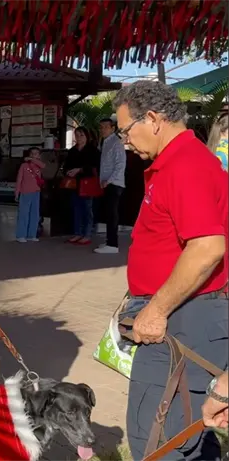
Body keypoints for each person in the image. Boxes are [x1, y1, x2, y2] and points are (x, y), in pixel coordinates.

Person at [113, 80, 228, 461]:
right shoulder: (179, 162)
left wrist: (156, 309)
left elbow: (207, 247)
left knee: (157, 441)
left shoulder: (185, 164)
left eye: (125, 131)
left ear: (152, 118)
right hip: (184, 317)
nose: (125, 142)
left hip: (182, 321)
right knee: (186, 433)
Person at [63, 126, 101, 246]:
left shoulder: (93, 150)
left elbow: (95, 167)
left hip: (87, 183)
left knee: (87, 209)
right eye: (77, 135)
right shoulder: (72, 151)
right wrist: (69, 171)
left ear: (87, 136)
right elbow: (66, 165)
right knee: (76, 209)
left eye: (82, 135)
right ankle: (77, 233)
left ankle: (87, 234)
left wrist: (80, 170)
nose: (79, 138)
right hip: (74, 184)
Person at [95, 118, 127, 254]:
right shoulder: (105, 142)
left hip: (114, 183)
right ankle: (109, 240)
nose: (102, 130)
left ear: (113, 128)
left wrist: (109, 180)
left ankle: (113, 244)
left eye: (105, 127)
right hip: (106, 182)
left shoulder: (116, 143)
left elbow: (120, 164)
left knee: (112, 214)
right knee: (108, 213)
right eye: (101, 127)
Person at [14, 147, 45, 243]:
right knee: (23, 214)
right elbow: (19, 179)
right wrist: (17, 192)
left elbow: (43, 165)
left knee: (34, 214)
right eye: (32, 153)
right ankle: (21, 235)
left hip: (36, 192)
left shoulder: (39, 165)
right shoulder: (24, 165)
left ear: (39, 156)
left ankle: (31, 235)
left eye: (36, 153)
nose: (33, 155)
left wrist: (32, 160)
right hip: (25, 192)